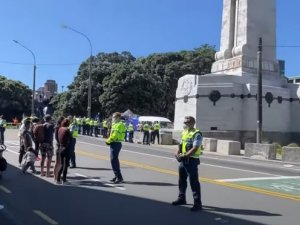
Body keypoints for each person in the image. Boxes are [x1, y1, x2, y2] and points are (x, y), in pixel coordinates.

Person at [172, 116, 203, 212]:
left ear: (193, 123)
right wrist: (177, 153)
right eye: (185, 122)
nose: (185, 124)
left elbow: (195, 148)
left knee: (193, 182)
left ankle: (197, 203)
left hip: (192, 161)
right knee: (182, 180)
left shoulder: (197, 133)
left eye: (187, 122)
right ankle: (182, 198)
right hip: (183, 160)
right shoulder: (184, 132)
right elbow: (180, 144)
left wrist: (186, 156)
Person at [105, 112, 126, 184]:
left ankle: (119, 177)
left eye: (114, 117)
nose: (113, 118)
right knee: (114, 160)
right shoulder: (115, 124)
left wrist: (108, 141)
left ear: (118, 118)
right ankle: (116, 175)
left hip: (116, 143)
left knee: (114, 160)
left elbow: (115, 135)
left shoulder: (119, 124)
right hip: (114, 143)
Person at [57, 118, 72, 184]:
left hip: (60, 147)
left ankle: (58, 179)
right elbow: (71, 139)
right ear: (68, 124)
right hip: (66, 148)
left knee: (61, 164)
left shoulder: (60, 129)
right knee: (65, 165)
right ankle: (64, 180)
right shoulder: (67, 130)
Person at [53, 116, 65, 182]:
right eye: (63, 120)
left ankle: (57, 176)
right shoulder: (57, 127)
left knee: (58, 162)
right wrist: (60, 143)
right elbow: (57, 137)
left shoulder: (59, 127)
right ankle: (56, 177)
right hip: (59, 145)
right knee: (58, 162)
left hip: (59, 145)